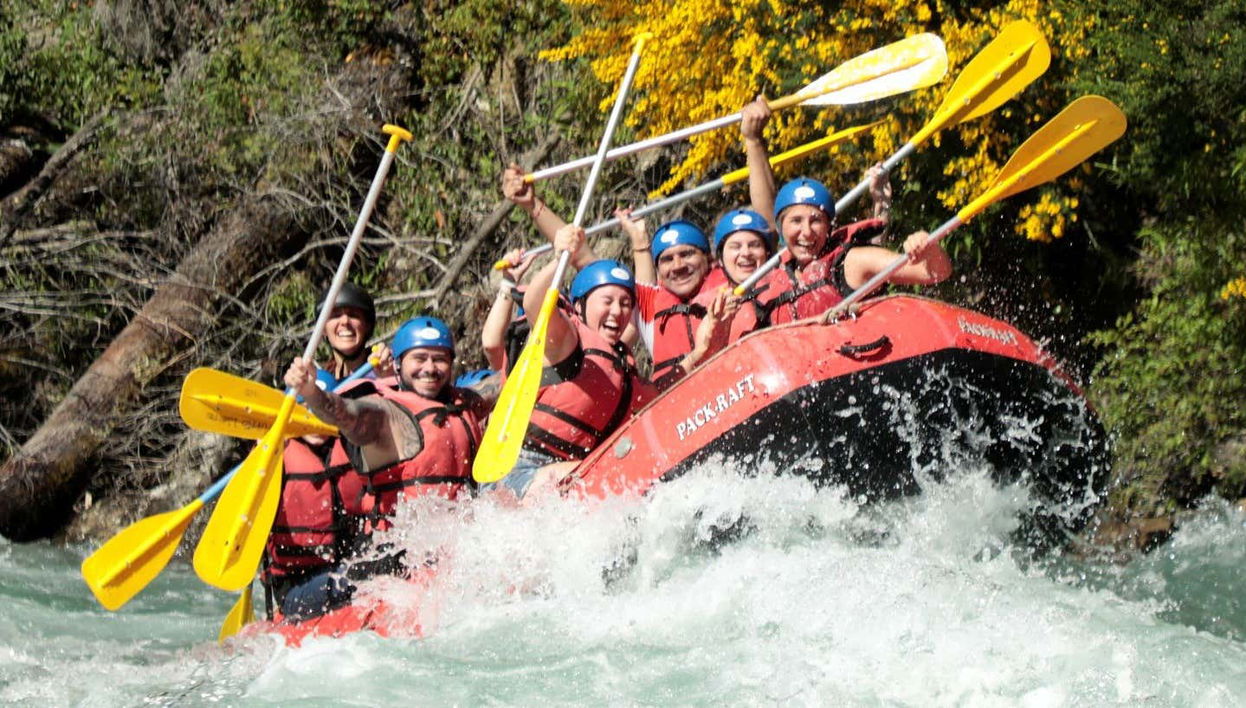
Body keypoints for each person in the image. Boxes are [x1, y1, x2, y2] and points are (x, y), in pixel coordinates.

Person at [274, 316, 485, 620]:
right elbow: (346, 414)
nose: (429, 368)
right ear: (398, 366)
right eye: (419, 359)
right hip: (390, 558)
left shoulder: (465, 403)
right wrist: (312, 393)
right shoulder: (385, 414)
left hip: (446, 551)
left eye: (439, 359)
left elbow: (507, 380)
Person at [487, 225, 660, 501]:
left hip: (571, 469)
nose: (618, 311)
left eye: (626, 303)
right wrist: (559, 259)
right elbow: (535, 305)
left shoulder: (620, 363)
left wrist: (640, 245)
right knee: (614, 476)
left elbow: (645, 312)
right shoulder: (567, 337)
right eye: (608, 301)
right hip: (519, 469)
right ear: (579, 306)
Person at [741, 99, 952, 322]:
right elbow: (766, 214)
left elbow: (935, 274)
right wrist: (753, 140)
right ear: (781, 228)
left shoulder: (853, 262)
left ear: (829, 226)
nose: (806, 232)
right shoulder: (776, 273)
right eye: (796, 221)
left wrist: (930, 249)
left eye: (816, 220)